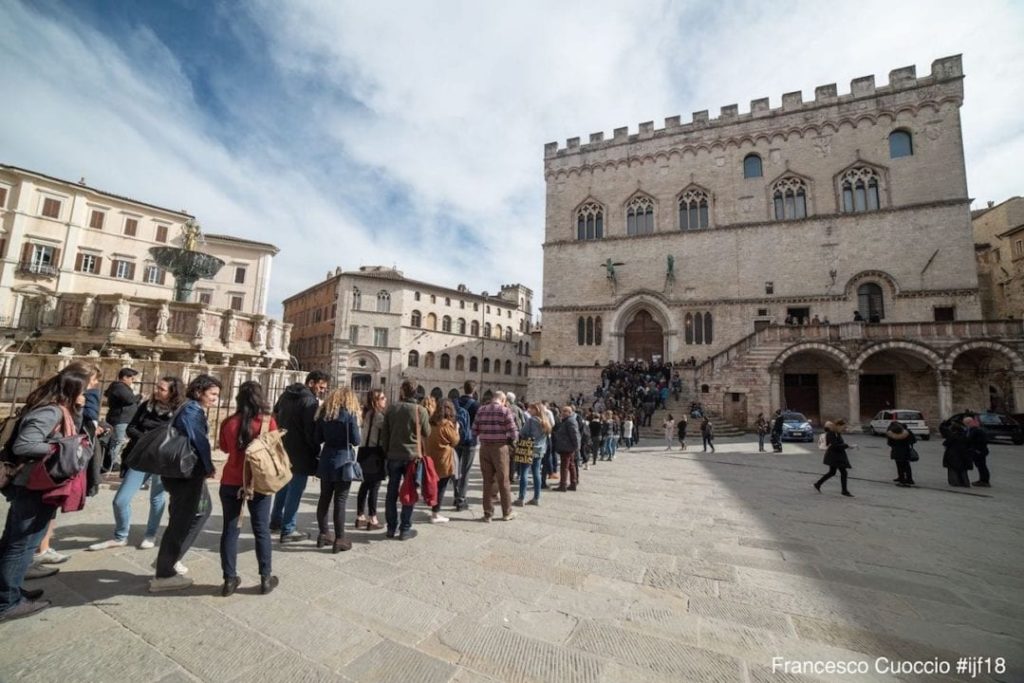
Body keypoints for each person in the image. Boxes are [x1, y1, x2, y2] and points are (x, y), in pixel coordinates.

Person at [0, 364, 92, 622]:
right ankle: (7, 602)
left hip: (40, 483)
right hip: (32, 484)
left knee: (18, 540)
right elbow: (24, 444)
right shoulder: (49, 411)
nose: (89, 392)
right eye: (86, 388)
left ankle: (11, 590)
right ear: (75, 389)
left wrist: (80, 409)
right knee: (21, 544)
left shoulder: (59, 409)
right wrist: (62, 449)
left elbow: (73, 429)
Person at [88, 376, 183, 552]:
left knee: (157, 498)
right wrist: (147, 439)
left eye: (161, 389)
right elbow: (131, 427)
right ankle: (121, 535)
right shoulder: (146, 406)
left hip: (163, 460)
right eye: (157, 387)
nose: (156, 390)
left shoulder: (179, 411)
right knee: (120, 500)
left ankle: (150, 534)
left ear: (172, 392)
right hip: (141, 456)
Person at [149, 374, 221, 592]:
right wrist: (208, 466)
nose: (215, 399)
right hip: (185, 473)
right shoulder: (191, 410)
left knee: (201, 510)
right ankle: (164, 572)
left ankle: (169, 559)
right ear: (199, 392)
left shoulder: (189, 408)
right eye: (212, 394)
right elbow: (198, 439)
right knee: (183, 519)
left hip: (184, 472)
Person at [217, 381, 279, 595]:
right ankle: (265, 577)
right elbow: (274, 450)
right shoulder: (267, 422)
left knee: (230, 530)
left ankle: (229, 579)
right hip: (258, 483)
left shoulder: (228, 422)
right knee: (261, 529)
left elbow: (224, 448)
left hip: (231, 481)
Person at [270, 370, 329, 543]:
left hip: (283, 446)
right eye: (321, 386)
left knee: (283, 486)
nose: (322, 390)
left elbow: (274, 415)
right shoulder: (309, 401)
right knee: (295, 490)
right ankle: (288, 529)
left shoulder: (286, 395)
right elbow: (309, 430)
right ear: (311, 383)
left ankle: (275, 520)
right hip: (301, 451)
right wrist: (315, 448)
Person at [381, 380, 431, 540]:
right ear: (416, 392)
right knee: (409, 492)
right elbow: (427, 432)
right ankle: (405, 529)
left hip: (393, 455)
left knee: (391, 492)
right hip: (412, 457)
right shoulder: (420, 410)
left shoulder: (392, 408)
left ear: (402, 391)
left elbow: (385, 435)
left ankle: (390, 528)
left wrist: (387, 452)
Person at [314, 387, 362, 552]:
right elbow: (356, 440)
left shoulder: (324, 414)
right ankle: (340, 538)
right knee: (340, 501)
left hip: (326, 458)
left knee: (324, 498)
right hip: (343, 460)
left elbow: (317, 438)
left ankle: (323, 534)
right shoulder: (350, 414)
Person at [473, 391, 519, 520]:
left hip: (484, 448)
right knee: (503, 480)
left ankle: (488, 514)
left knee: (487, 481)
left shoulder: (481, 410)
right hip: (499, 448)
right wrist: (510, 440)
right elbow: (513, 432)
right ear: (503, 400)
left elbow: (474, 430)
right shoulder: (504, 411)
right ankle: (507, 512)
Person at [355, 390, 387, 530]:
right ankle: (372, 518)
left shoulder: (367, 414)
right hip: (375, 452)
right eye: (382, 398)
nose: (385, 400)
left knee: (365, 485)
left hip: (364, 451)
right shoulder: (379, 417)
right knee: (374, 486)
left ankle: (360, 515)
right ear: (376, 401)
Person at [425, 399, 460, 523]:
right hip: (444, 460)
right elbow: (455, 441)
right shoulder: (446, 425)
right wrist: (457, 429)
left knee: (434, 484)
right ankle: (435, 513)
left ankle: (433, 507)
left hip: (431, 458)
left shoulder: (431, 422)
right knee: (442, 486)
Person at [103, 367, 140, 473]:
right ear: (124, 377)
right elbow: (129, 399)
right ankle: (112, 462)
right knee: (118, 441)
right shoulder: (119, 386)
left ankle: (115, 461)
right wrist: (140, 396)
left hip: (125, 419)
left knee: (121, 441)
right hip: (120, 419)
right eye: (131, 379)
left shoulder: (120, 387)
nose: (132, 381)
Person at [515, 403, 550, 506]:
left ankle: (521, 498)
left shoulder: (531, 420)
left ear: (536, 410)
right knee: (536, 473)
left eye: (531, 409)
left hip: (529, 448)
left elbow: (522, 432)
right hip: (540, 450)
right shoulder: (546, 421)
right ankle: (536, 498)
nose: (529, 410)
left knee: (524, 472)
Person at [452, 381, 479, 512]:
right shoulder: (476, 405)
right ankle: (461, 500)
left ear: (463, 389)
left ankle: (456, 495)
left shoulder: (455, 402)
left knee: (456, 469)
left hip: (456, 439)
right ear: (474, 390)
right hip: (470, 441)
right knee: (466, 471)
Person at [813, 420, 854, 497]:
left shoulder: (837, 433)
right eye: (843, 427)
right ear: (838, 425)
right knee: (843, 472)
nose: (844, 428)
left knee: (832, 472)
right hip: (834, 457)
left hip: (837, 456)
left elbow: (840, 444)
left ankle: (818, 484)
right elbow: (835, 445)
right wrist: (847, 446)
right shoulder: (831, 433)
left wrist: (848, 446)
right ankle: (844, 491)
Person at [552, 405, 580, 492]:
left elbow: (575, 435)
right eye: (562, 411)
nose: (562, 413)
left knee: (565, 466)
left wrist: (576, 446)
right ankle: (573, 483)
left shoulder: (570, 421)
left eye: (565, 411)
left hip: (567, 447)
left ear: (570, 412)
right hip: (566, 446)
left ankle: (563, 485)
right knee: (571, 465)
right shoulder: (567, 421)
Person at [942, 418, 974, 487]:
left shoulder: (953, 436)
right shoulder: (964, 435)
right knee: (962, 469)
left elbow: (947, 442)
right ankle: (965, 482)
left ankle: (955, 482)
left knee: (953, 468)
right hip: (963, 454)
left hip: (953, 454)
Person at [885, 421, 917, 487]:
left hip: (897, 451)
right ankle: (909, 479)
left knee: (899, 465)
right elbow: (914, 440)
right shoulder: (907, 432)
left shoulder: (891, 433)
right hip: (906, 450)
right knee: (907, 465)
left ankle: (902, 480)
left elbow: (889, 443)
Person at [965, 417, 991, 487]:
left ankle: (985, 481)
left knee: (982, 466)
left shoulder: (976, 430)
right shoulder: (973, 430)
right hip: (978, 451)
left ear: (971, 422)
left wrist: (978, 450)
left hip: (979, 451)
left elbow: (981, 441)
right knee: (980, 466)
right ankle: (982, 480)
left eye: (967, 423)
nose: (966, 425)